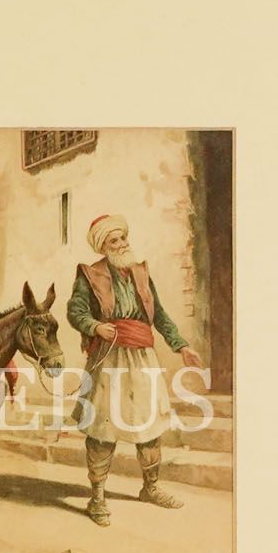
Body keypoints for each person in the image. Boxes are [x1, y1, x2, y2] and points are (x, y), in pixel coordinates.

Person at [65, 214, 203, 526]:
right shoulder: (90, 275)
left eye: (123, 237)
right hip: (110, 356)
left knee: (149, 424)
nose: (122, 244)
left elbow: (159, 315)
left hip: (142, 357)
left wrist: (181, 347)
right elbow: (75, 311)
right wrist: (95, 327)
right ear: (103, 246)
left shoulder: (141, 272)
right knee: (103, 426)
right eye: (113, 240)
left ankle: (150, 488)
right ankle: (97, 497)